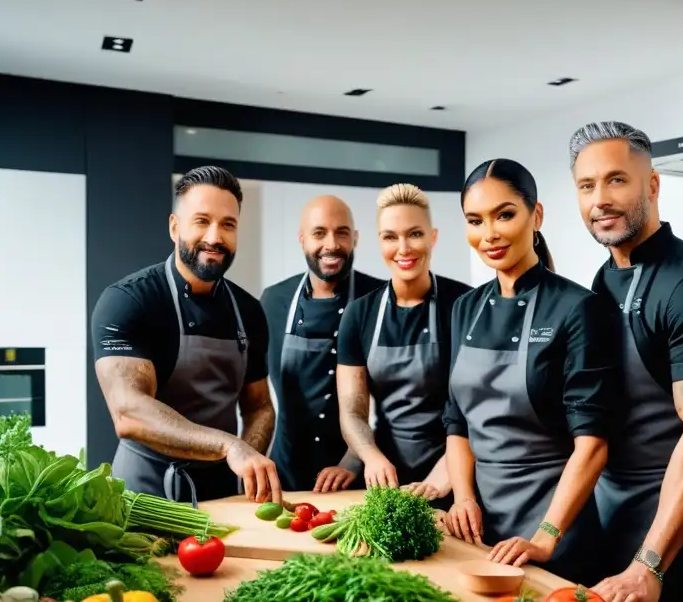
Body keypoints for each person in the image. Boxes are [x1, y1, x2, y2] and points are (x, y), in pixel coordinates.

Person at [568, 122, 683, 602]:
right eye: (587, 186)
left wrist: (650, 563)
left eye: (617, 180)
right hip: (612, 520)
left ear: (652, 186)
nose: (601, 200)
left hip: (674, 537)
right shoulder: (605, 279)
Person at [443, 158, 615, 585]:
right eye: (475, 220)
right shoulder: (465, 307)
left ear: (536, 215)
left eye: (505, 215)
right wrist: (463, 499)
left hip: (559, 538)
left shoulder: (577, 308)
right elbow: (457, 422)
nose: (490, 234)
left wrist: (545, 537)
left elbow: (592, 444)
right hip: (482, 534)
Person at [91, 166, 280, 505]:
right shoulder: (129, 300)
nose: (214, 236)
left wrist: (247, 459)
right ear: (174, 227)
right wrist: (228, 445)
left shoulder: (248, 310)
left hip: (223, 495)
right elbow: (129, 411)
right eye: (201, 221)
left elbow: (260, 406)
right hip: (145, 497)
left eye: (228, 224)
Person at [336, 184, 472, 505]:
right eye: (390, 237)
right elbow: (353, 412)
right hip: (387, 480)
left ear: (433, 237)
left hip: (455, 477)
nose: (403, 248)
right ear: (378, 241)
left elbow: (478, 410)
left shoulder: (465, 305)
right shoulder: (359, 314)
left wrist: (444, 479)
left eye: (414, 234)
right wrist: (369, 456)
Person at [260, 195, 383, 493]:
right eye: (319, 233)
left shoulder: (379, 298)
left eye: (342, 232)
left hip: (358, 476)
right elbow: (256, 398)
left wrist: (354, 461)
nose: (331, 244)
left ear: (354, 238)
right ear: (302, 239)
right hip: (284, 475)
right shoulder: (273, 301)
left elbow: (397, 406)